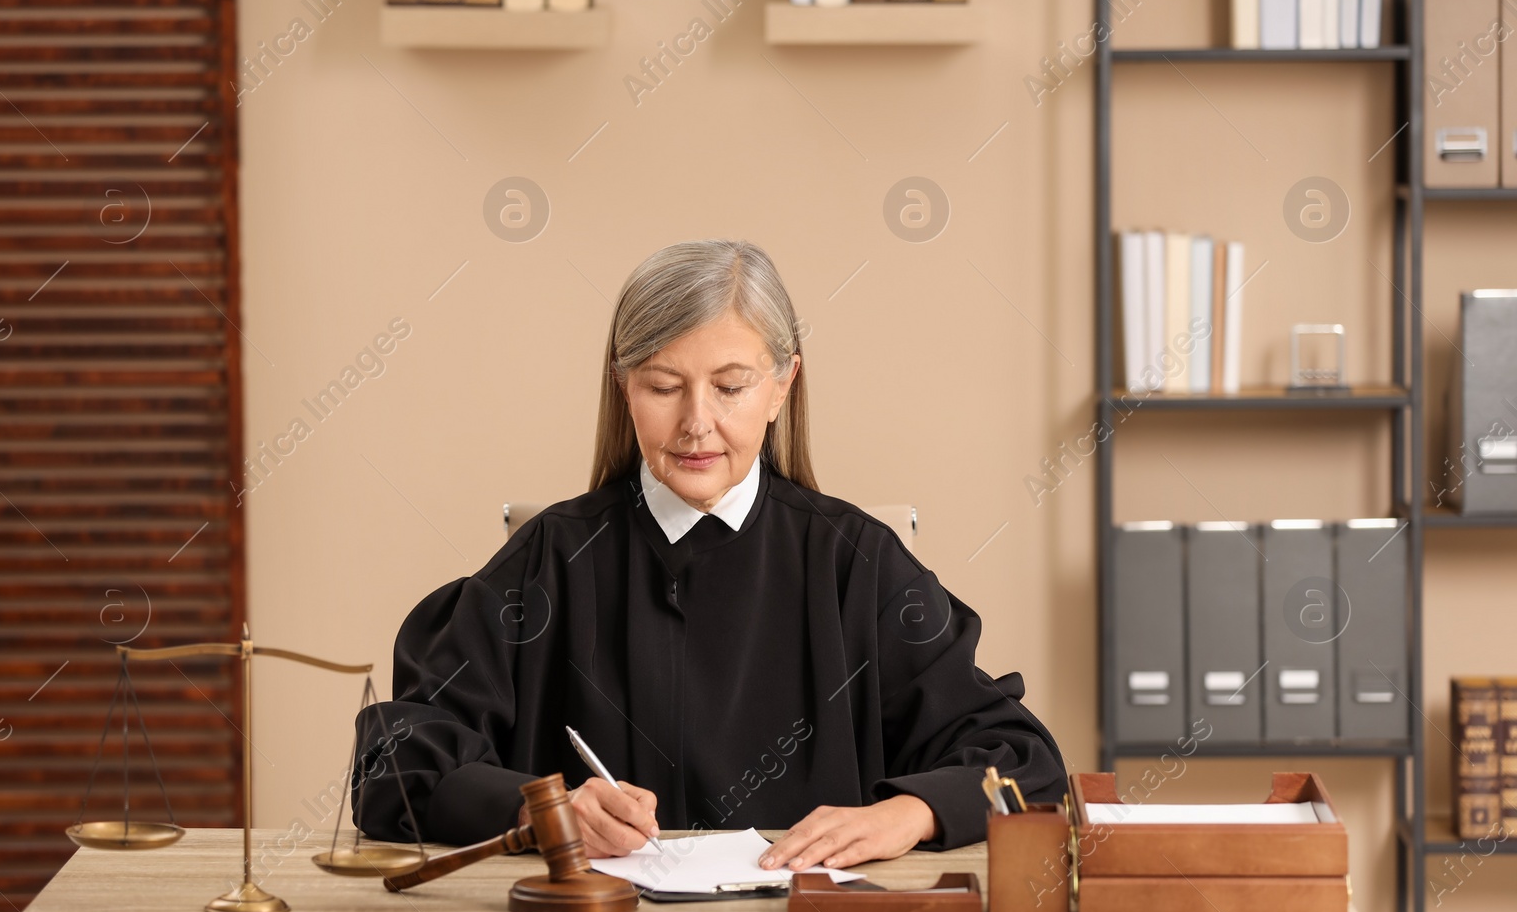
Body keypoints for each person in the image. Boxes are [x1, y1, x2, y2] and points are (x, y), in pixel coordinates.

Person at [352, 239, 1066, 872]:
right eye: (664, 386)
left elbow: (1021, 757)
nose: (698, 422)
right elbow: (394, 763)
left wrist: (906, 814)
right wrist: (539, 808)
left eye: (730, 386)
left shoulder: (859, 563)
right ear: (624, 386)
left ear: (783, 386)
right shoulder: (547, 561)